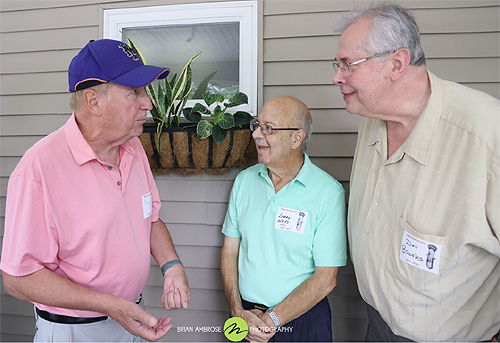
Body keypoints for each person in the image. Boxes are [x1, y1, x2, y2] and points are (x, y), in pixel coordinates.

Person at [0, 39, 190, 342]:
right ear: (93, 101)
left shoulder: (133, 148)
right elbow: (17, 279)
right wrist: (109, 306)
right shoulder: (39, 168)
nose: (148, 103)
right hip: (74, 332)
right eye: (134, 92)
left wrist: (172, 265)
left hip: (131, 319)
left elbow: (149, 219)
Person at [332, 3, 499, 342]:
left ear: (397, 64)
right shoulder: (371, 115)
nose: (336, 76)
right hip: (377, 323)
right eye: (337, 65)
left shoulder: (486, 132)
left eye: (347, 65)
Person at [220, 96, 347, 342]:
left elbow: (326, 278)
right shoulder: (245, 181)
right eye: (257, 125)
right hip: (245, 316)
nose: (257, 134)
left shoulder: (327, 192)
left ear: (296, 138)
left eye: (268, 128)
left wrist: (271, 321)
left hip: (301, 321)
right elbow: (229, 251)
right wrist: (236, 310)